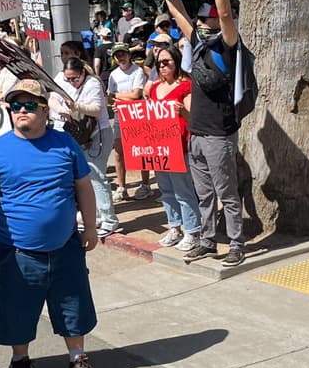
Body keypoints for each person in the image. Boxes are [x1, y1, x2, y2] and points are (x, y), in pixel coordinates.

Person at [0, 78, 104, 368]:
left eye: (30, 105)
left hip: (65, 243)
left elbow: (83, 186)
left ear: (45, 111)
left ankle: (77, 358)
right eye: (15, 105)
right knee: (18, 308)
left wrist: (91, 227)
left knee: (74, 303)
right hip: (16, 249)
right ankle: (20, 360)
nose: (22, 110)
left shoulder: (65, 143)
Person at [157, 0, 247, 266]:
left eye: (205, 18)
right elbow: (177, 10)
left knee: (228, 194)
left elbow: (224, 13)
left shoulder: (228, 44)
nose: (199, 21)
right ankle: (208, 241)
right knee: (204, 195)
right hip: (197, 133)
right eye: (199, 18)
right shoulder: (197, 42)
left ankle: (236, 243)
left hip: (219, 135)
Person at [51, 56, 118, 237]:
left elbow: (97, 109)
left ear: (82, 73)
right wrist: (61, 110)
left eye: (75, 78)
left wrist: (76, 106)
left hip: (98, 133)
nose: (72, 82)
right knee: (84, 178)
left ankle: (109, 219)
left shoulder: (93, 83)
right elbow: (51, 97)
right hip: (78, 135)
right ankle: (94, 215)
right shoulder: (60, 79)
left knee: (96, 175)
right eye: (68, 79)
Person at [145, 43, 200, 249]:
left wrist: (182, 112)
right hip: (159, 147)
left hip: (179, 146)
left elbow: (194, 117)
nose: (162, 66)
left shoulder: (186, 85)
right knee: (166, 190)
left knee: (183, 190)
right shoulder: (156, 88)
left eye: (167, 62)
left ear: (176, 62)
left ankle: (193, 230)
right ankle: (175, 227)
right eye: (159, 63)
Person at [107, 42, 150, 201]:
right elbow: (109, 97)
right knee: (119, 153)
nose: (121, 58)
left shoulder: (138, 71)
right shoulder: (113, 75)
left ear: (128, 54)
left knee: (141, 152)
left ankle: (145, 185)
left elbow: (136, 94)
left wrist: (117, 97)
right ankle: (121, 187)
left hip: (136, 116)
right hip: (120, 116)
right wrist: (119, 98)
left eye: (123, 54)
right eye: (117, 56)